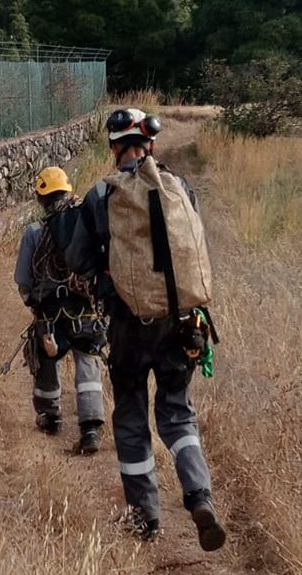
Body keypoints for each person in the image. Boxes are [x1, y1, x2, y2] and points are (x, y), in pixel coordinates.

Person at [66, 109, 227, 551]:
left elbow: (78, 258)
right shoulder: (181, 187)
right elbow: (199, 251)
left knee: (133, 417)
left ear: (114, 146)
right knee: (177, 413)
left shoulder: (101, 194)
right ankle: (199, 496)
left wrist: (106, 278)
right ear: (150, 143)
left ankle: (146, 518)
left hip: (129, 327)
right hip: (183, 325)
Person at [14, 166, 106, 455]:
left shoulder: (34, 232)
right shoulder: (86, 224)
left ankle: (50, 417)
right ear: (67, 190)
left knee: (45, 360)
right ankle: (90, 428)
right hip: (85, 311)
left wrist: (32, 300)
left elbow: (24, 279)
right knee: (88, 361)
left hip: (50, 314)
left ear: (42, 198)